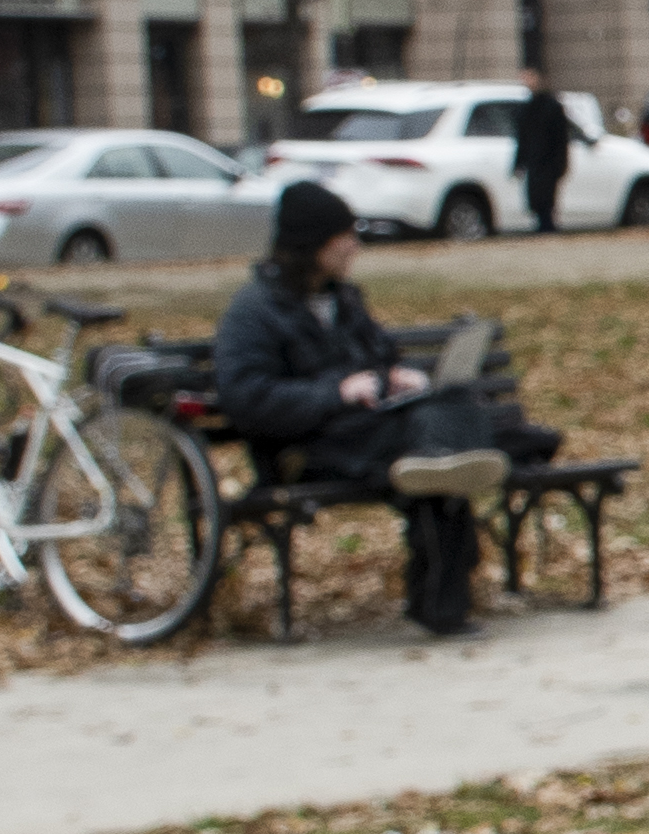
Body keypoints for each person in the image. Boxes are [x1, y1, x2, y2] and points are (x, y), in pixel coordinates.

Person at [209, 182, 522, 639]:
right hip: (307, 447)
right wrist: (336, 392)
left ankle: (446, 467)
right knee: (432, 454)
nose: (354, 245)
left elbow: (380, 354)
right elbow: (248, 399)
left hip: (368, 431)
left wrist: (394, 375)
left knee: (443, 424)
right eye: (345, 236)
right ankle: (460, 464)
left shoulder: (344, 300)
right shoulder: (255, 312)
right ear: (314, 244)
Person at [512, 73, 575, 236]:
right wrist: (519, 162)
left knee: (547, 199)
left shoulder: (552, 107)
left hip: (549, 161)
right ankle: (543, 226)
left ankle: (547, 227)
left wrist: (561, 163)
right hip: (534, 161)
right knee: (536, 198)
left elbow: (561, 138)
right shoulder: (528, 107)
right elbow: (522, 139)